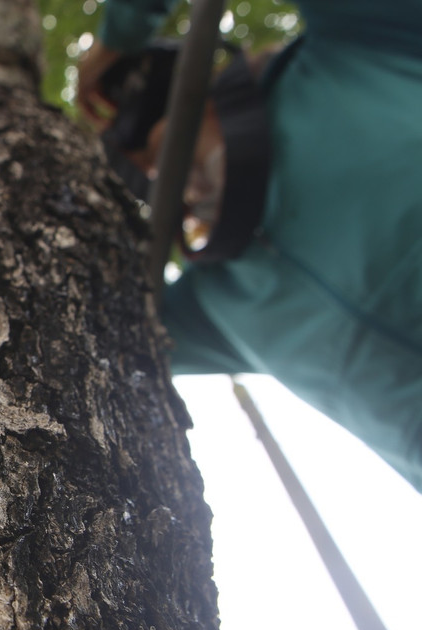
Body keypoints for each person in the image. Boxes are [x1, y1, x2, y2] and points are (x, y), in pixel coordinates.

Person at [77, 0, 422, 493]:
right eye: (150, 182)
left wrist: (120, 34)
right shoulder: (217, 300)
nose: (178, 189)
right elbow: (87, 333)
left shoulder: (354, 48)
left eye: (162, 155)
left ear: (203, 96)